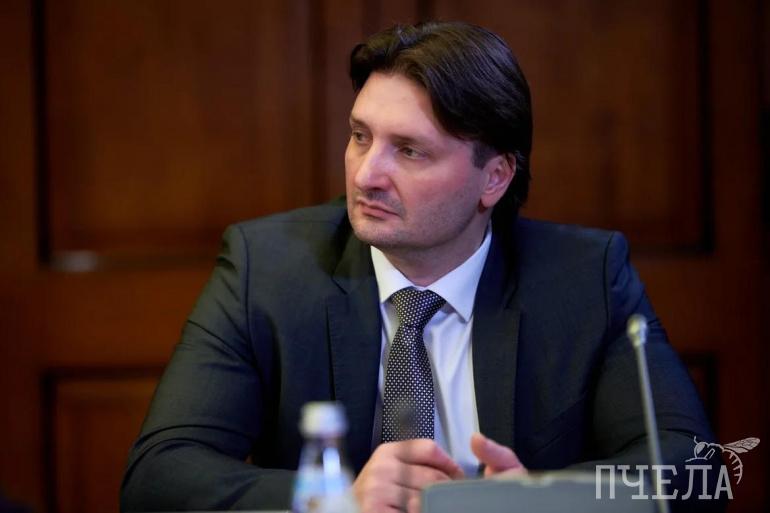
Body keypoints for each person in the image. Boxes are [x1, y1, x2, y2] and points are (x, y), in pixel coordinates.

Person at [121, 21, 718, 512]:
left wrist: (543, 502)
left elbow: (696, 469)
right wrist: (335, 502)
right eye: (360, 136)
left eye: (409, 151)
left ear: (494, 177)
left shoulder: (586, 279)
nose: (366, 175)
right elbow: (158, 476)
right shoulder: (268, 269)